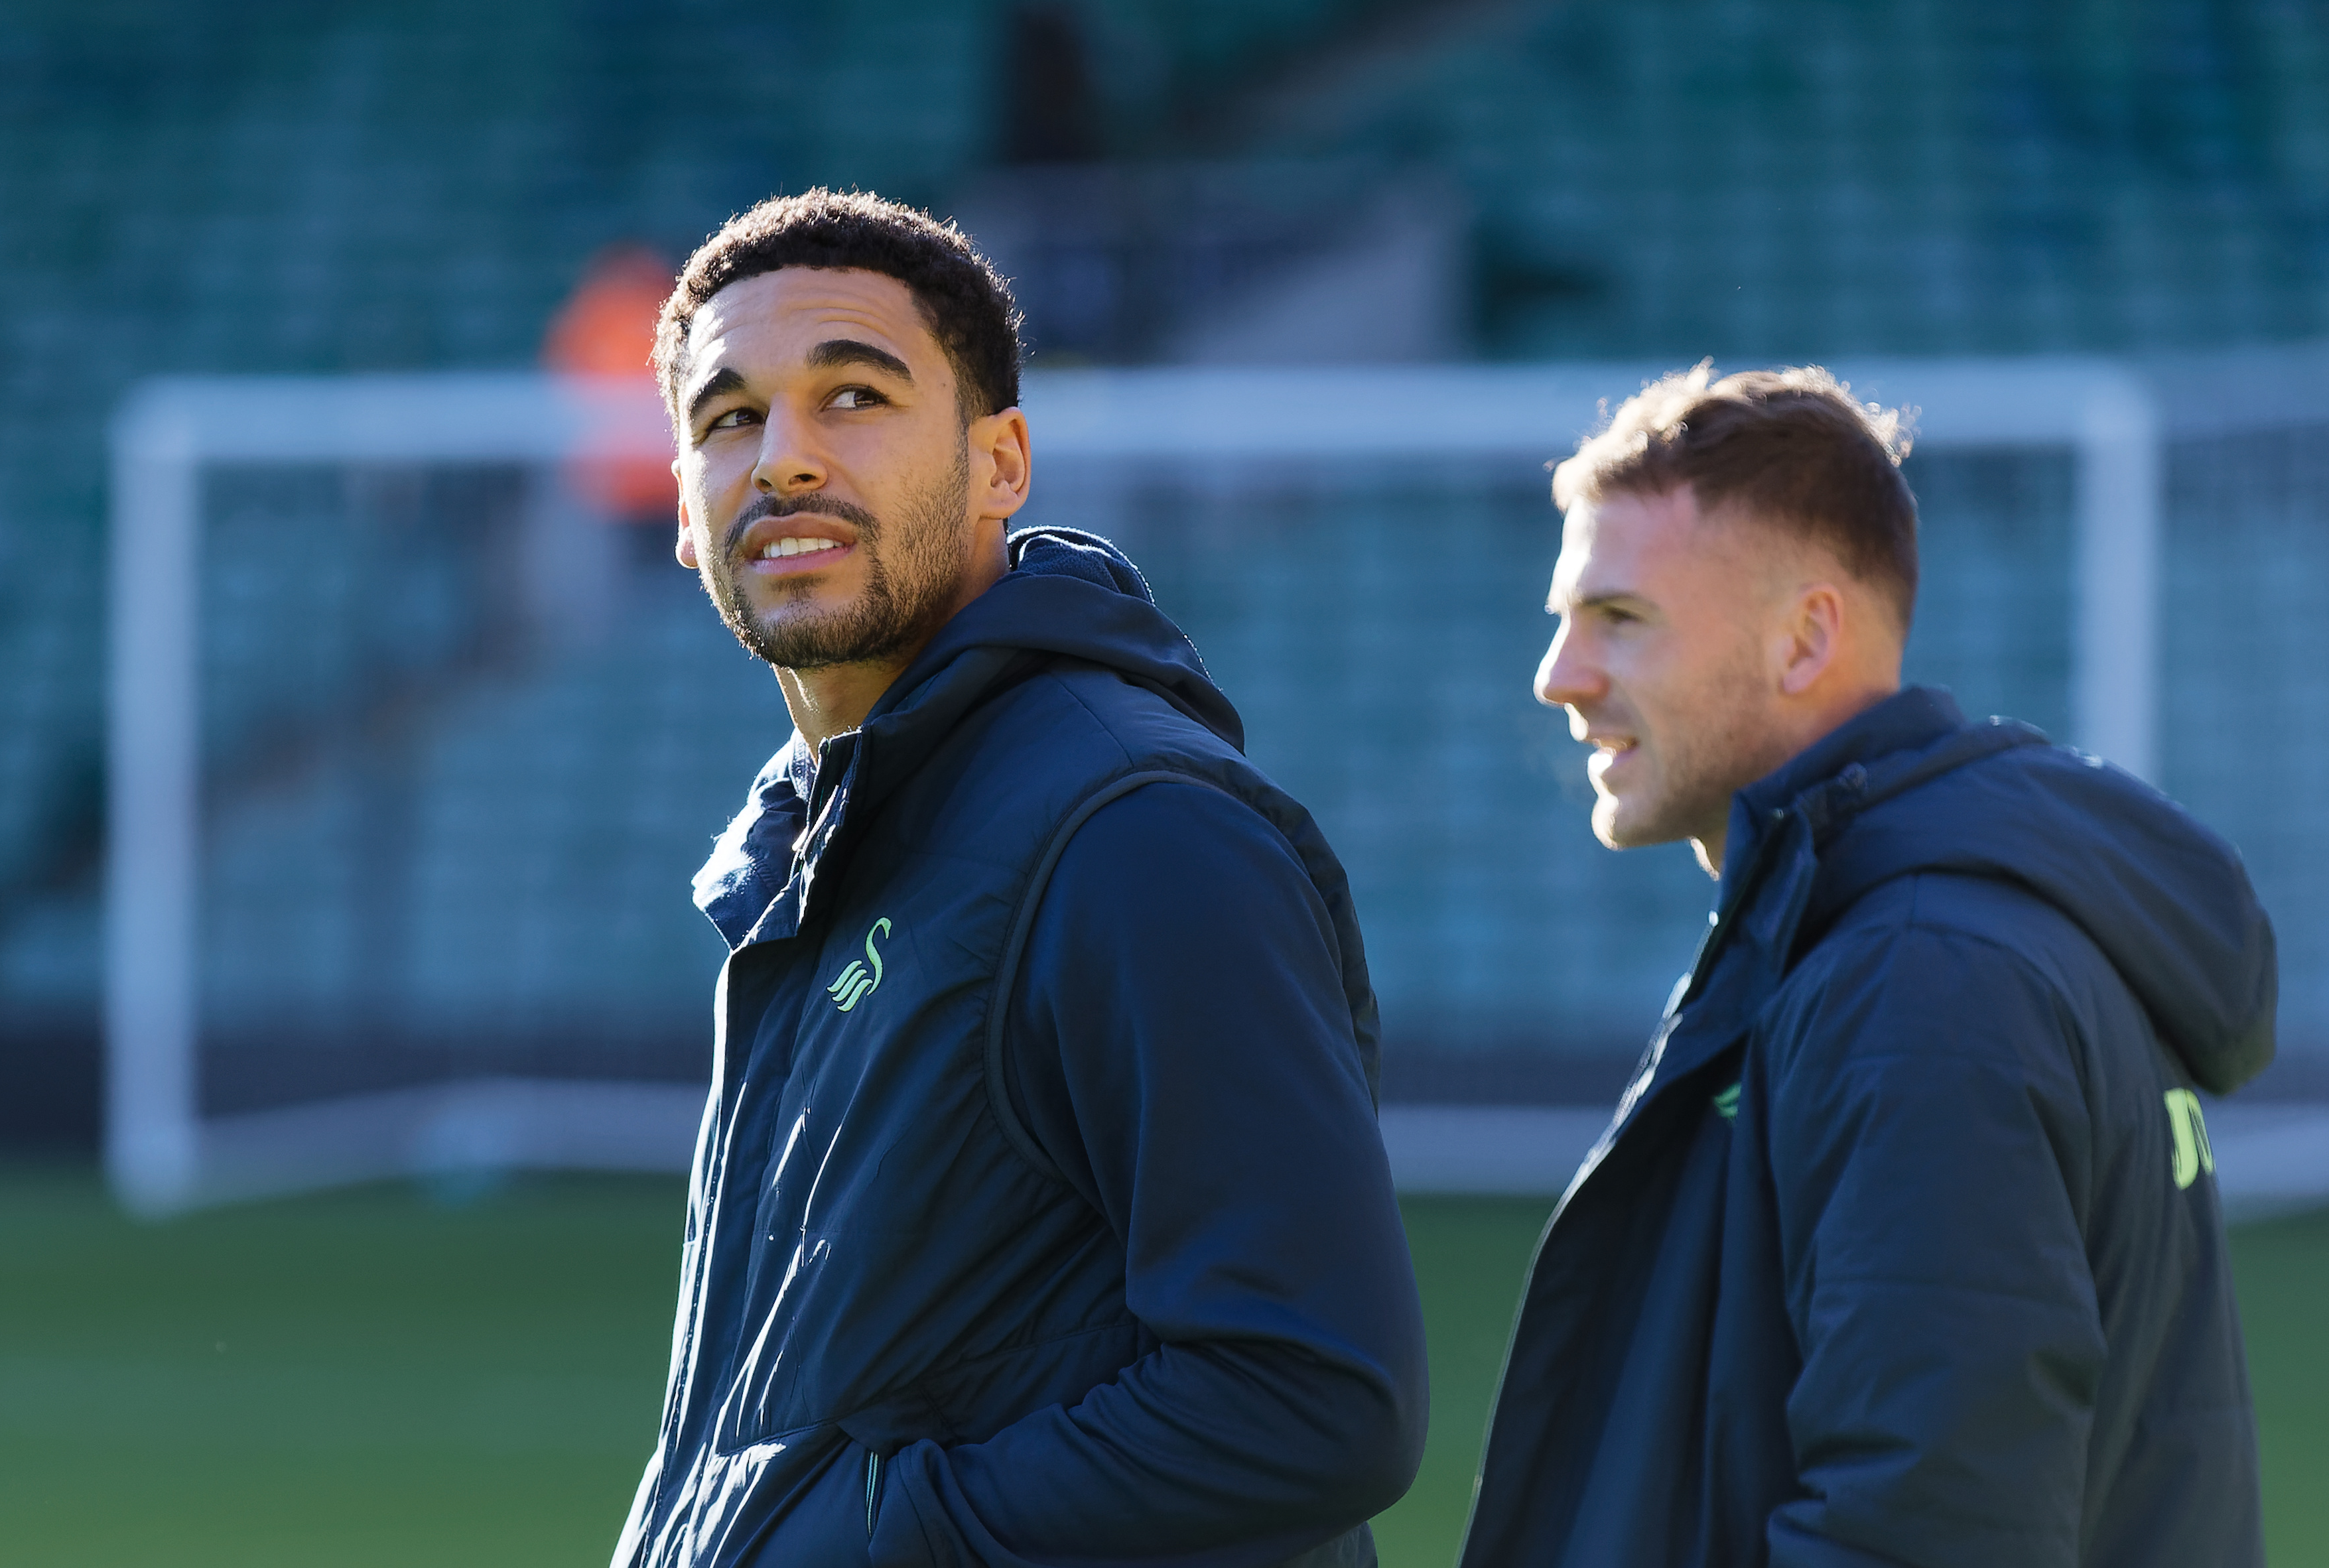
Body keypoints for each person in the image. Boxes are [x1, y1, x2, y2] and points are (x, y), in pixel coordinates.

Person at [610, 188, 1426, 1568]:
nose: (784, 461)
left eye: (855, 396)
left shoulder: (1134, 830)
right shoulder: (826, 844)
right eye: (729, 419)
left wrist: (870, 1544)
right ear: (685, 513)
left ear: (1003, 465)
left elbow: (1317, 1399)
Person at [1463, 365, 2274, 1567]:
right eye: (1563, 617)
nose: (1559, 677)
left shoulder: (1920, 979)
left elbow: (1927, 1528)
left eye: (1618, 618)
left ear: (1805, 640)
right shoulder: (1902, 937)